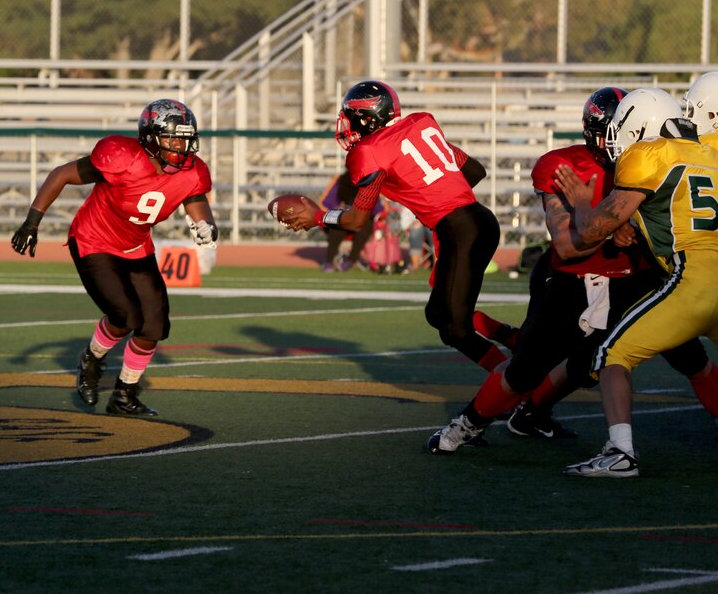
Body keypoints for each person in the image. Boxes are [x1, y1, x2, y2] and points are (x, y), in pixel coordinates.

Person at [426, 87, 718, 454]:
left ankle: (533, 415)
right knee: (524, 372)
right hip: (572, 279)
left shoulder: (655, 158)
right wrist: (611, 227)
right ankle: (466, 425)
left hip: (638, 277)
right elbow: (567, 245)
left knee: (686, 359)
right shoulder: (564, 164)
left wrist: (624, 228)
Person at [10, 99, 216, 417]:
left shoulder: (192, 171)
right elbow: (62, 174)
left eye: (185, 138)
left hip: (136, 246)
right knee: (125, 317)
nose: (181, 146)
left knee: (154, 325)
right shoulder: (122, 157)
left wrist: (205, 225)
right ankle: (92, 359)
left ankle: (124, 395)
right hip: (94, 241)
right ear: (148, 138)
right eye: (173, 138)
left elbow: (196, 199)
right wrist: (32, 222)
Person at [283, 80, 506, 372]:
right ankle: (514, 342)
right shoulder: (421, 124)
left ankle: (517, 386)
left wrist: (317, 217)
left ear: (366, 118)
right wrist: (430, 197)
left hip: (459, 231)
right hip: (478, 220)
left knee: (455, 329)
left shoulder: (369, 151)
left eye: (349, 115)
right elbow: (476, 171)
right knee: (438, 314)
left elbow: (356, 220)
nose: (345, 122)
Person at [554, 87, 718, 477]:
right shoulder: (710, 152)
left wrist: (581, 201)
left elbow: (593, 230)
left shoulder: (648, 153)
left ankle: (620, 452)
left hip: (694, 280)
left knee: (612, 355)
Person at [319, 173, 372, 272]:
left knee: (366, 225)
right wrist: (338, 209)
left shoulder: (369, 182)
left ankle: (351, 259)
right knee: (337, 223)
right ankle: (329, 261)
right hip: (342, 217)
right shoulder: (341, 180)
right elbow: (326, 203)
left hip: (359, 219)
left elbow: (377, 207)